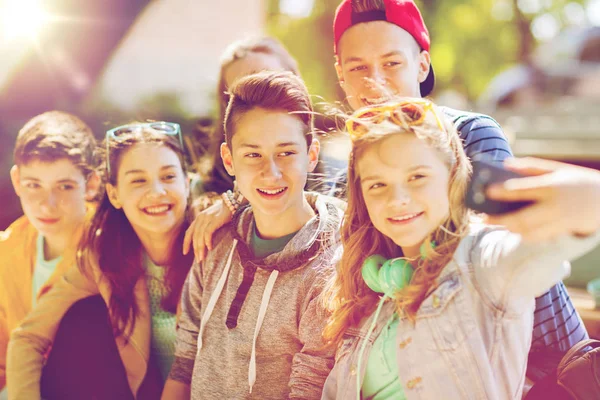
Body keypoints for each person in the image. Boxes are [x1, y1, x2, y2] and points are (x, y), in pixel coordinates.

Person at [184, 0, 590, 382]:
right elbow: (295, 184)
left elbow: (484, 255)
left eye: (391, 63)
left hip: (538, 364)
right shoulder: (354, 169)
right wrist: (236, 201)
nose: (375, 83)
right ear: (340, 74)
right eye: (359, 68)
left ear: (421, 63)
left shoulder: (468, 134)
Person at [319, 98, 600, 399]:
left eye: (417, 177)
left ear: (453, 176)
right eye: (378, 185)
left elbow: (547, 247)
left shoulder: (483, 261)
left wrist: (590, 200)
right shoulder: (370, 288)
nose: (397, 198)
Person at [162, 71, 342, 399]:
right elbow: (185, 361)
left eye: (286, 153)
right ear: (229, 160)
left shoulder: (330, 265)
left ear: (311, 155)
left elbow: (311, 386)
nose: (270, 172)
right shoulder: (215, 241)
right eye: (253, 155)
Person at [7, 123, 194, 399]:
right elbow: (28, 337)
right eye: (138, 180)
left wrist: (229, 205)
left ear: (187, 184)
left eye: (168, 176)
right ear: (115, 194)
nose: (156, 192)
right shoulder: (103, 257)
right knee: (84, 318)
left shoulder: (213, 242)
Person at [0, 111, 98, 399]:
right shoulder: (7, 250)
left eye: (65, 186)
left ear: (90, 184)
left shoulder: (106, 248)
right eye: (34, 185)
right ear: (17, 180)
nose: (47, 204)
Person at [192, 36, 301, 203]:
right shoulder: (204, 189)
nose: (259, 100)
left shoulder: (335, 177)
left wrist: (234, 205)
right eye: (243, 95)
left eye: (271, 83)